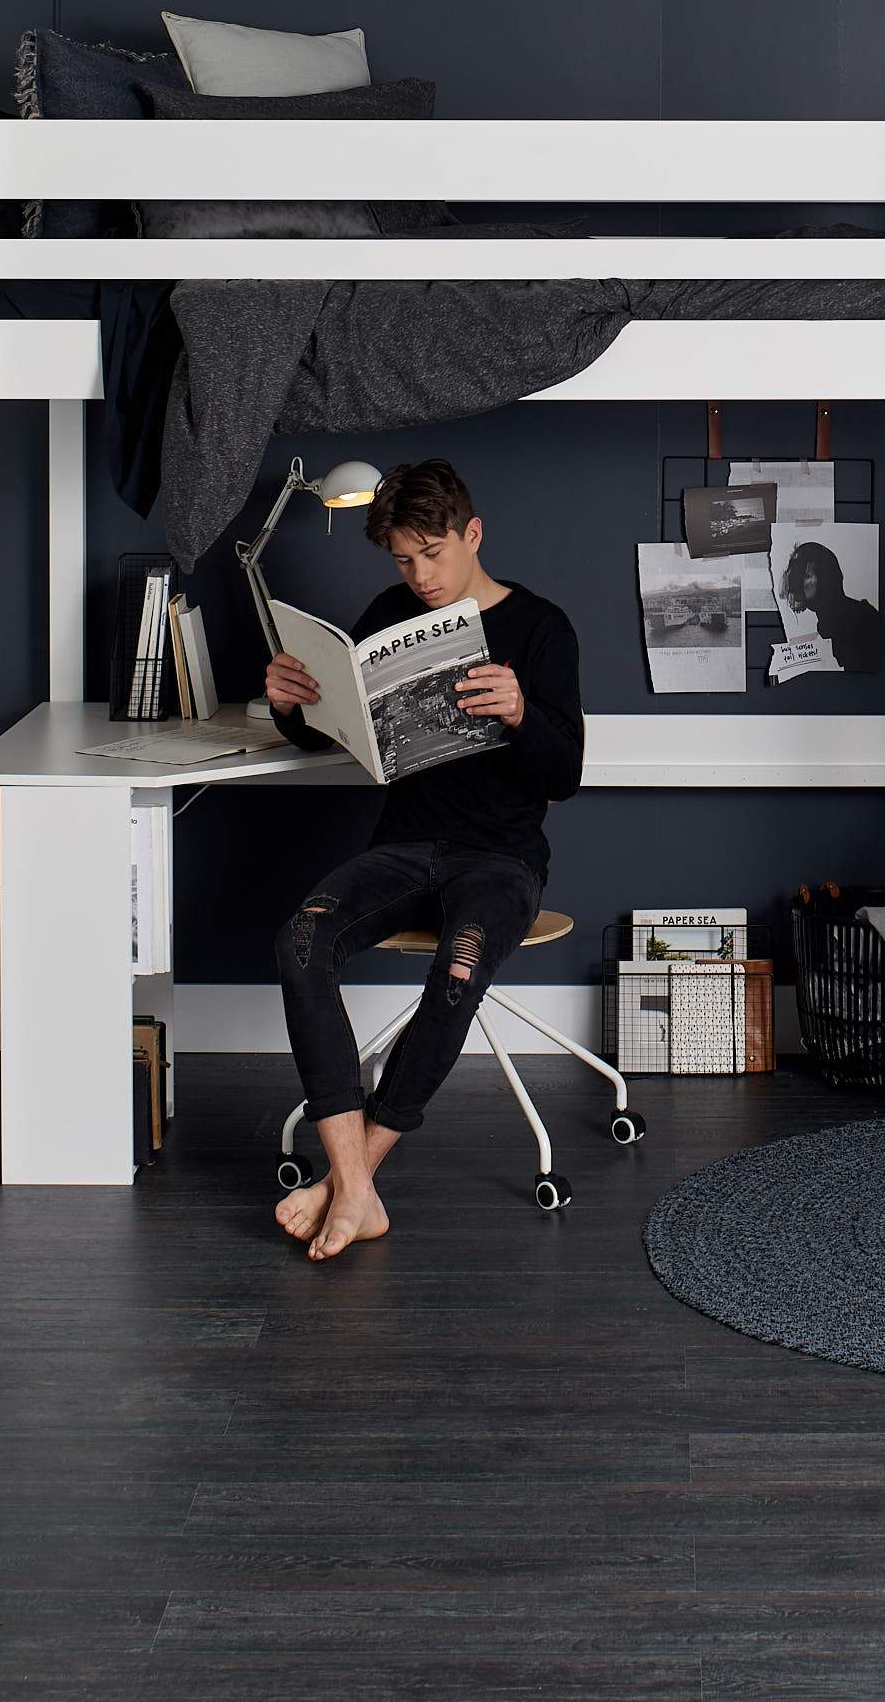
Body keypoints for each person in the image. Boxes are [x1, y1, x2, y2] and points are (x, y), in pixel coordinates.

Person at [265, 459, 584, 1261]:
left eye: (433, 553)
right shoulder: (387, 614)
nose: (421, 575)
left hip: (500, 859)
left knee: (456, 974)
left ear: (472, 534)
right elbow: (337, 727)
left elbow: (565, 777)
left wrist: (521, 714)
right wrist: (290, 706)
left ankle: (348, 1185)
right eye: (404, 559)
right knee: (299, 942)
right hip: (404, 847)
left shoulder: (543, 629)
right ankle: (356, 1191)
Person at [780, 540, 880, 670]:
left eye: (805, 576)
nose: (795, 584)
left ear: (824, 578)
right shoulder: (829, 622)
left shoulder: (860, 617)